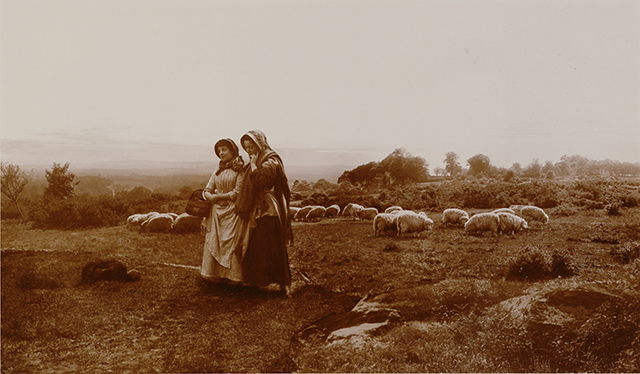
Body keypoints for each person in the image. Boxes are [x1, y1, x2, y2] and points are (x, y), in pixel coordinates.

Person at [237, 129, 293, 295]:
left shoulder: (270, 159)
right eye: (246, 148)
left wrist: (254, 166)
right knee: (254, 245)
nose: (249, 151)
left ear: (260, 144)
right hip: (256, 207)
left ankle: (283, 285)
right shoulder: (258, 159)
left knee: (272, 245)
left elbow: (263, 181)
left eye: (251, 147)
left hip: (268, 208)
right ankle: (254, 282)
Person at [200, 138, 249, 285]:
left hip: (233, 212)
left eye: (224, 149)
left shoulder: (240, 170)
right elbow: (206, 190)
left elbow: (236, 192)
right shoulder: (218, 171)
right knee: (215, 241)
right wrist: (212, 198)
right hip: (216, 213)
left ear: (233, 151)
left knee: (231, 243)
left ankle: (233, 277)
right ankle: (215, 274)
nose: (221, 153)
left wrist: (217, 197)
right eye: (219, 150)